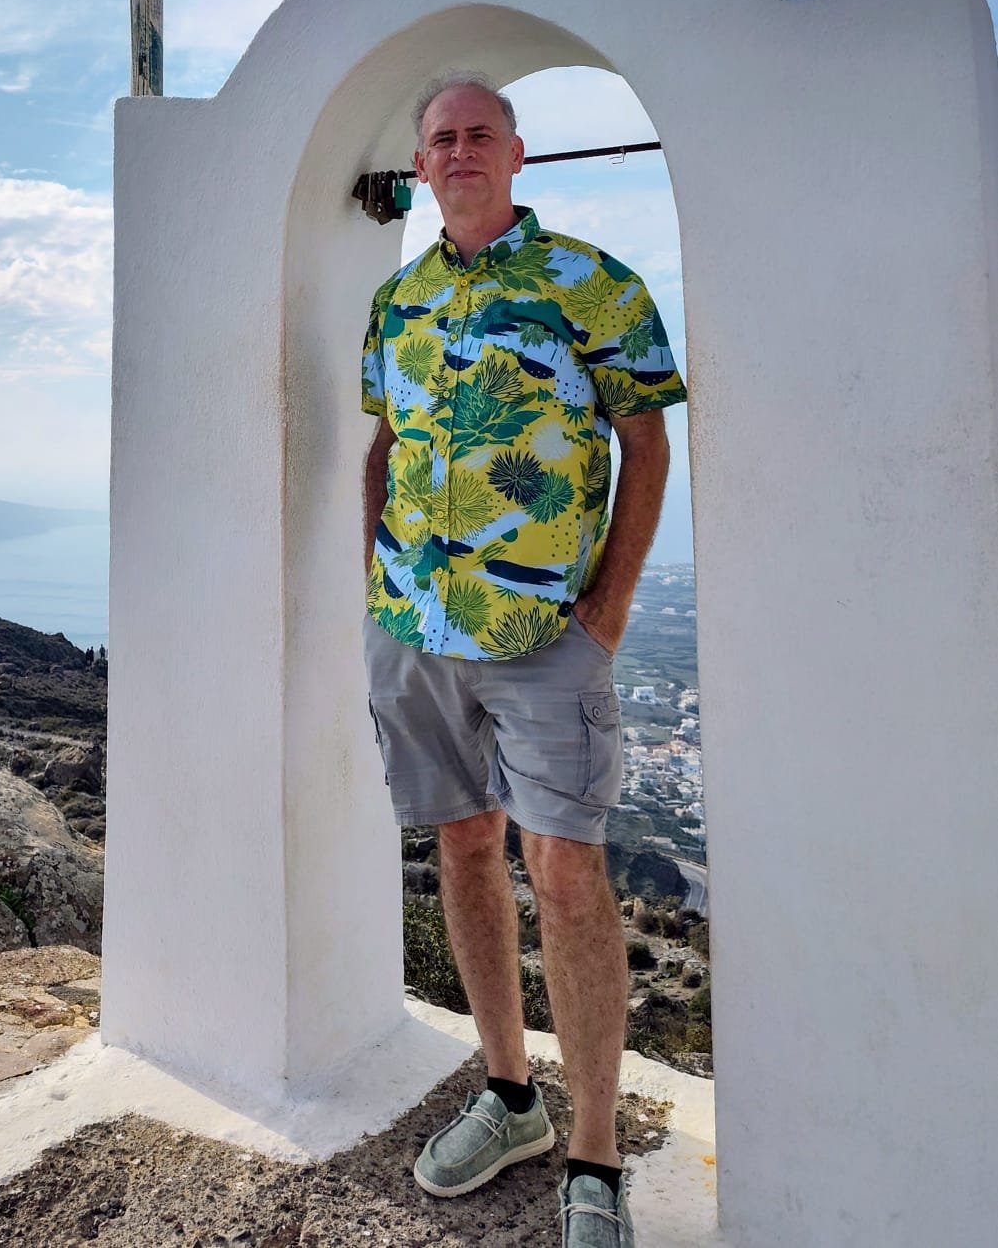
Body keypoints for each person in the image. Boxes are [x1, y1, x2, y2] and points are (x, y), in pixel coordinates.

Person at [361, 73, 687, 1247]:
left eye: (476, 134)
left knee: (563, 874)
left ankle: (593, 1155)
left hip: (548, 635)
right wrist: (377, 584)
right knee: (459, 847)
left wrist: (606, 607)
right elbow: (386, 443)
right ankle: (509, 1094)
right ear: (420, 162)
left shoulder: (590, 285)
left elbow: (643, 440)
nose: (456, 150)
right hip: (416, 630)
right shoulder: (396, 299)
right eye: (437, 135)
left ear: (516, 155)